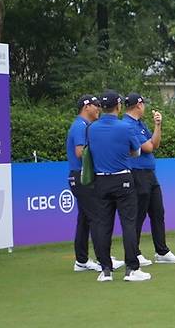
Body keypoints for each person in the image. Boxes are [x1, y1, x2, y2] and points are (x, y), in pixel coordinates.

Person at [88, 90, 151, 282]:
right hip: (122, 179)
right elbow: (137, 151)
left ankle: (105, 269)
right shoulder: (125, 127)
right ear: (118, 106)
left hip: (101, 180)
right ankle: (131, 269)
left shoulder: (92, 128)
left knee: (102, 225)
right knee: (129, 224)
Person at [123, 93, 175, 266]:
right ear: (138, 105)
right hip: (137, 173)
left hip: (150, 173)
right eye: (143, 104)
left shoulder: (140, 124)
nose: (145, 108)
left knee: (158, 212)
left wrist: (158, 125)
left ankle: (161, 251)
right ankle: (134, 253)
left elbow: (155, 144)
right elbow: (148, 147)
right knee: (138, 215)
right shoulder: (127, 125)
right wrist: (153, 138)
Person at [65, 94, 103, 272]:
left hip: (81, 176)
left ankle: (81, 261)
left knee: (85, 219)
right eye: (95, 105)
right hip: (82, 177)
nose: (98, 109)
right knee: (96, 217)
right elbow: (80, 152)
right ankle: (103, 259)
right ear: (86, 107)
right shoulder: (80, 126)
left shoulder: (85, 125)